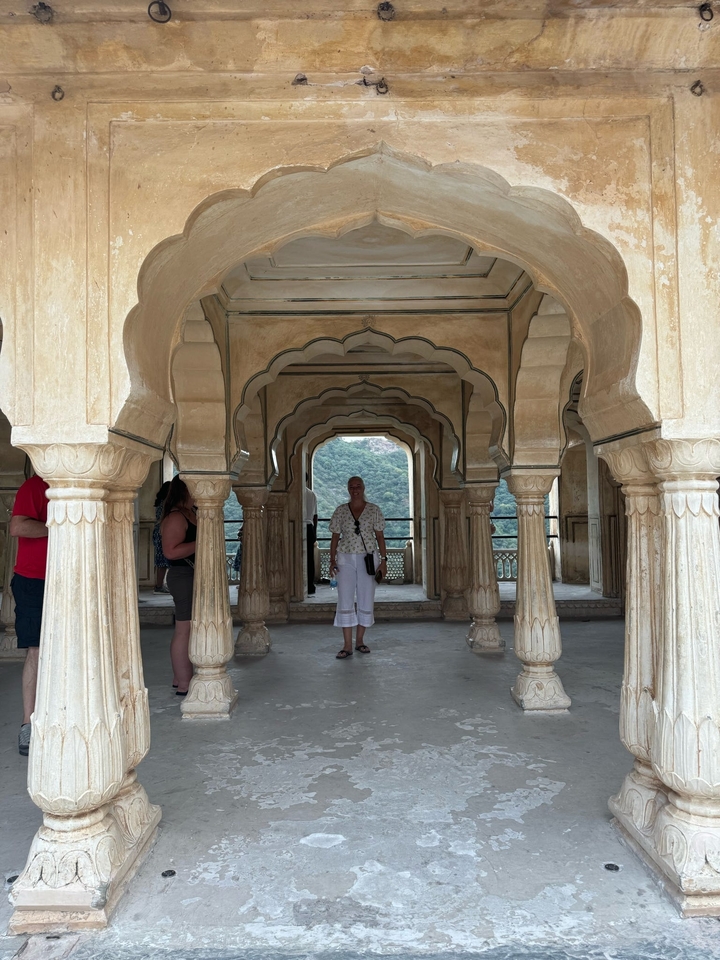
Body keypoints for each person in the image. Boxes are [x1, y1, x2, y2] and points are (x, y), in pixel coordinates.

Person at [10, 473, 49, 756]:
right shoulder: (35, 486)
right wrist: (59, 524)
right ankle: (29, 724)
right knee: (35, 651)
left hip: (70, 578)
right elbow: (18, 526)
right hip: (33, 581)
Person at [328, 476, 387, 659]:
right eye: (351, 486)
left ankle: (359, 640)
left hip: (368, 558)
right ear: (348, 489)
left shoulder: (374, 510)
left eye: (358, 486)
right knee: (344, 598)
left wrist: (383, 560)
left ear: (363, 487)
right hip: (345, 558)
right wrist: (332, 560)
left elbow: (379, 536)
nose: (355, 489)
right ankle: (347, 645)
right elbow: (335, 537)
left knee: (366, 597)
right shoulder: (341, 511)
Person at [160, 476, 196, 696]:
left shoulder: (189, 513)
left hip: (191, 574)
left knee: (190, 628)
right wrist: (202, 540)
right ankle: (184, 682)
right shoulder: (176, 516)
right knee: (184, 628)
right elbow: (170, 551)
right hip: (182, 575)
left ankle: (180, 677)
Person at [152, 480, 171, 593]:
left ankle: (160, 585)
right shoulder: (166, 504)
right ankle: (160, 585)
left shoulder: (160, 502)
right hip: (163, 533)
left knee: (161, 561)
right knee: (163, 561)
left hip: (158, 532)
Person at [304, 473, 318, 595]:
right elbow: (315, 516)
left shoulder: (295, 494)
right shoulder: (311, 494)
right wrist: (315, 533)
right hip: (310, 528)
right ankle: (310, 586)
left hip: (298, 527)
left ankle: (298, 585)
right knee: (309, 559)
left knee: (296, 558)